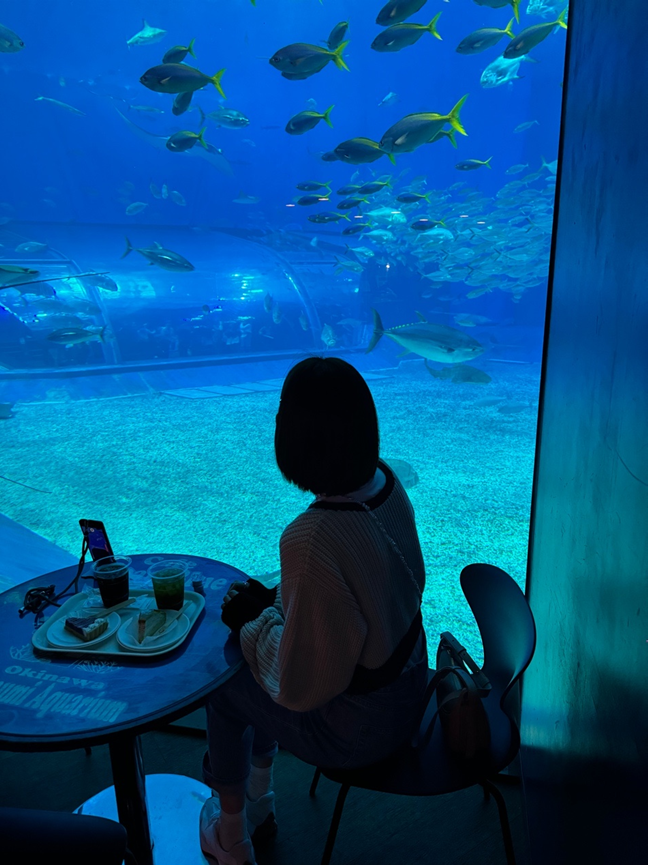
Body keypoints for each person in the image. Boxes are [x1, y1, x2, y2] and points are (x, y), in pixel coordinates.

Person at [199, 356, 429, 865]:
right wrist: (274, 611)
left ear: (294, 437)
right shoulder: (387, 485)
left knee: (227, 680)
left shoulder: (312, 537)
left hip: (363, 729)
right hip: (412, 684)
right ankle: (260, 798)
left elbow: (301, 685)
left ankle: (232, 834)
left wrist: (256, 624)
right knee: (254, 645)